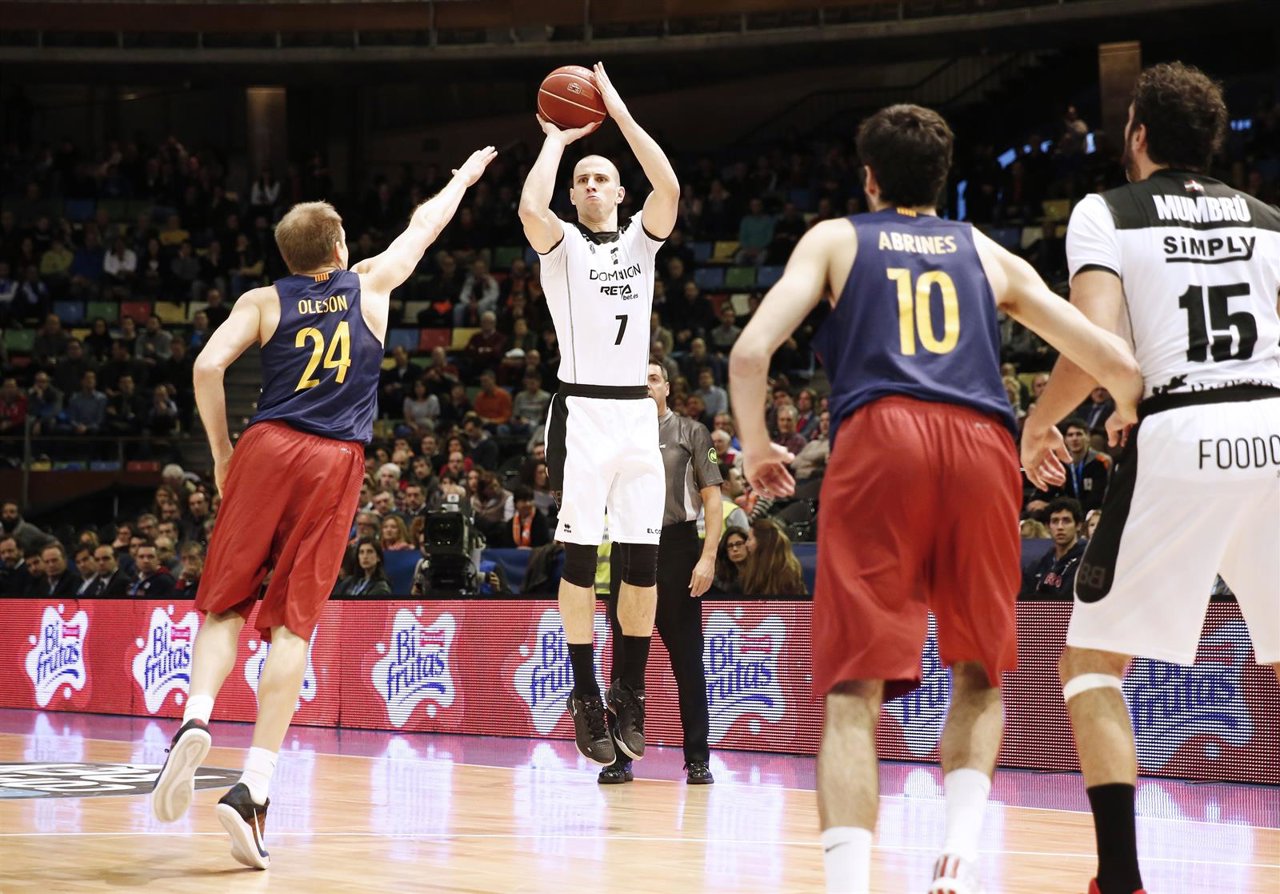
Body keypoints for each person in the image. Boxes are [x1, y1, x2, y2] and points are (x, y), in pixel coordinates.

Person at [728, 103, 1143, 894]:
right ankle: (956, 857)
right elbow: (1113, 360)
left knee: (855, 690)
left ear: (870, 178)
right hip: (983, 445)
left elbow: (751, 354)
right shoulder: (985, 252)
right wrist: (1111, 411)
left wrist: (754, 446)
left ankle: (851, 885)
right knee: (980, 670)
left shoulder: (837, 237)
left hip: (881, 436)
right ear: (943, 183)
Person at [149, 145, 495, 870]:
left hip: (267, 445)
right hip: (335, 458)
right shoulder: (369, 284)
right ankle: (253, 788)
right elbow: (423, 228)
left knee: (224, 606)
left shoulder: (262, 301)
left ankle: (195, 717)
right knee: (293, 625)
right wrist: (461, 177)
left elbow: (207, 367)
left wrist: (219, 453)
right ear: (339, 246)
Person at [1019, 63, 1280, 894]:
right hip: (1273, 427)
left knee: (1093, 662)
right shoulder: (1271, 220)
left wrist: (1041, 419)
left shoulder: (1109, 212)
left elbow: (1098, 344)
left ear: (1137, 136)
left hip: (1181, 435)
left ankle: (1121, 880)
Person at [519, 62, 678, 766]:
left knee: (642, 567)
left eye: (600, 177)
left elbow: (668, 186)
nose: (589, 185)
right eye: (580, 178)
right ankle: (585, 692)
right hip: (582, 415)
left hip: (637, 419)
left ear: (619, 192)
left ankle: (631, 691)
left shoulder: (643, 241)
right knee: (581, 564)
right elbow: (529, 209)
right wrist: (556, 138)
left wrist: (616, 107)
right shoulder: (562, 246)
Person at [599, 362, 722, 786]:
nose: (646, 386)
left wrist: (707, 557)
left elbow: (713, 501)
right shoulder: (617, 439)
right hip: (628, 547)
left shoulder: (691, 432)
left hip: (677, 548)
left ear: (667, 386)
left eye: (652, 378)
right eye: (639, 380)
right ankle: (620, 758)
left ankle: (698, 758)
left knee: (688, 660)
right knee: (623, 661)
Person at [1021, 497, 1087, 598]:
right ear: (1048, 527)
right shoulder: (1037, 565)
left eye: (1066, 521)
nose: (1060, 527)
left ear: (1078, 525)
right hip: (1038, 613)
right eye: (1055, 521)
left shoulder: (1086, 563)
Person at [712, 525, 750, 595]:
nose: (735, 549)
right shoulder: (719, 581)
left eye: (739, 544)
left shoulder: (760, 574)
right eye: (730, 546)